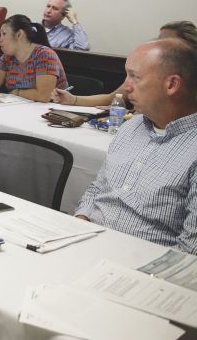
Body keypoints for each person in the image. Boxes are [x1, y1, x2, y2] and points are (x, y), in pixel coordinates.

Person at [75, 38, 197, 254]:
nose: (125, 87)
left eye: (135, 77)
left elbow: (190, 250)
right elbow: (98, 188)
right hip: (87, 243)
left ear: (172, 85)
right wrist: (80, 221)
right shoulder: (131, 128)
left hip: (142, 266)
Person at [54, 20, 197, 107]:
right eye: (157, 40)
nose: (157, 46)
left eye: (164, 43)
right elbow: (112, 98)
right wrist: (73, 99)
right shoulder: (143, 72)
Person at [0, 14, 67, 101]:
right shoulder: (6, 58)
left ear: (19, 34)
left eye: (4, 34)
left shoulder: (45, 55)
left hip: (51, 110)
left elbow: (44, 96)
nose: (0, 40)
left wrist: (17, 92)